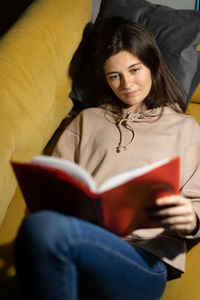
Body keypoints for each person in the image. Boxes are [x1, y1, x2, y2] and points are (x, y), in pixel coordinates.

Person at [14, 17, 200, 300]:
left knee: (43, 231)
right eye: (114, 76)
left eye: (135, 69)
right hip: (77, 243)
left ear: (152, 65)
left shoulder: (185, 128)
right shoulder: (86, 120)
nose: (127, 84)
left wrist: (190, 220)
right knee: (38, 229)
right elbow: (56, 188)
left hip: (143, 260)